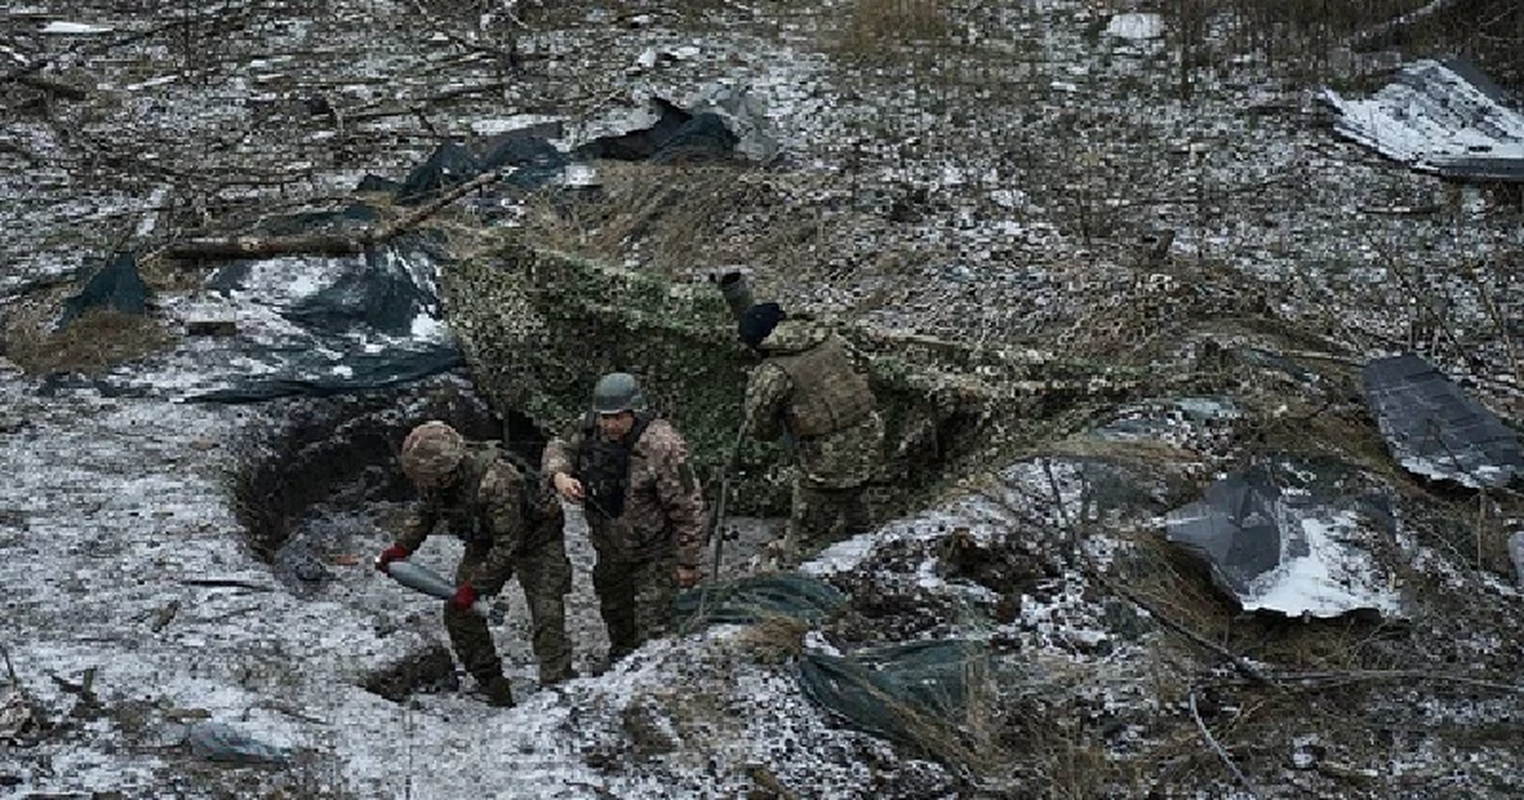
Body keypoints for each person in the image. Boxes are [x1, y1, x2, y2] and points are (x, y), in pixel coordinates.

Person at [375, 421, 573, 707]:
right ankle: (493, 686)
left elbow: (508, 546)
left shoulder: (497, 481)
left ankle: (558, 688)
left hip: (536, 539)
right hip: (486, 539)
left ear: (447, 471)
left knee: (547, 614)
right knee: (459, 613)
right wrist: (401, 547)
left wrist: (474, 588)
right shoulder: (435, 478)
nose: (424, 484)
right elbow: (425, 511)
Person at [542, 372, 705, 664]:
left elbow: (688, 507)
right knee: (616, 616)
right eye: (605, 417)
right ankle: (619, 666)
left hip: (653, 556)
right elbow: (558, 446)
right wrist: (560, 475)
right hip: (609, 549)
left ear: (634, 412)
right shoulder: (589, 428)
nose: (610, 425)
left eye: (618, 418)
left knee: (654, 634)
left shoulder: (662, 446)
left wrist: (687, 562)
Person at [737, 302, 884, 564]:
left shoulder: (774, 372)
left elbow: (759, 426)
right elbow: (866, 371)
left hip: (826, 462)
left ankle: (804, 577)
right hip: (870, 437)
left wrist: (787, 429)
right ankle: (866, 547)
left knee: (806, 536)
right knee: (858, 499)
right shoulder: (830, 339)